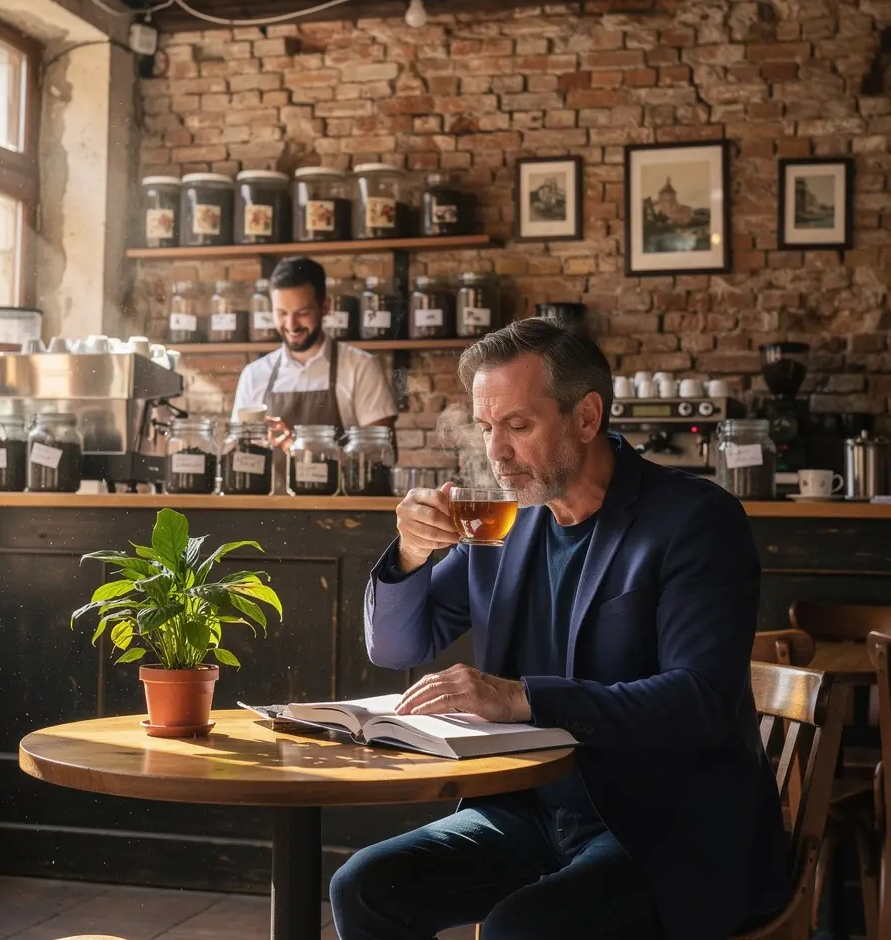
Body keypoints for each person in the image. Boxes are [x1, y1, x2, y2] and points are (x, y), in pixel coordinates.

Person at [330, 320, 789, 940]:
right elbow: (396, 646)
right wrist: (410, 554)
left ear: (586, 417)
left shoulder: (695, 520)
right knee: (363, 887)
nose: (496, 452)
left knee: (521, 929)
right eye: (487, 428)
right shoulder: (502, 525)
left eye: (518, 426)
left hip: (664, 830)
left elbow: (700, 701)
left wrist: (520, 696)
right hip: (529, 813)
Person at [231, 257, 397, 447]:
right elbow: (239, 451)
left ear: (325, 307)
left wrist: (305, 449)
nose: (291, 325)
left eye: (302, 313)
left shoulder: (360, 367)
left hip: (340, 478)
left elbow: (382, 455)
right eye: (282, 313)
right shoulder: (254, 375)